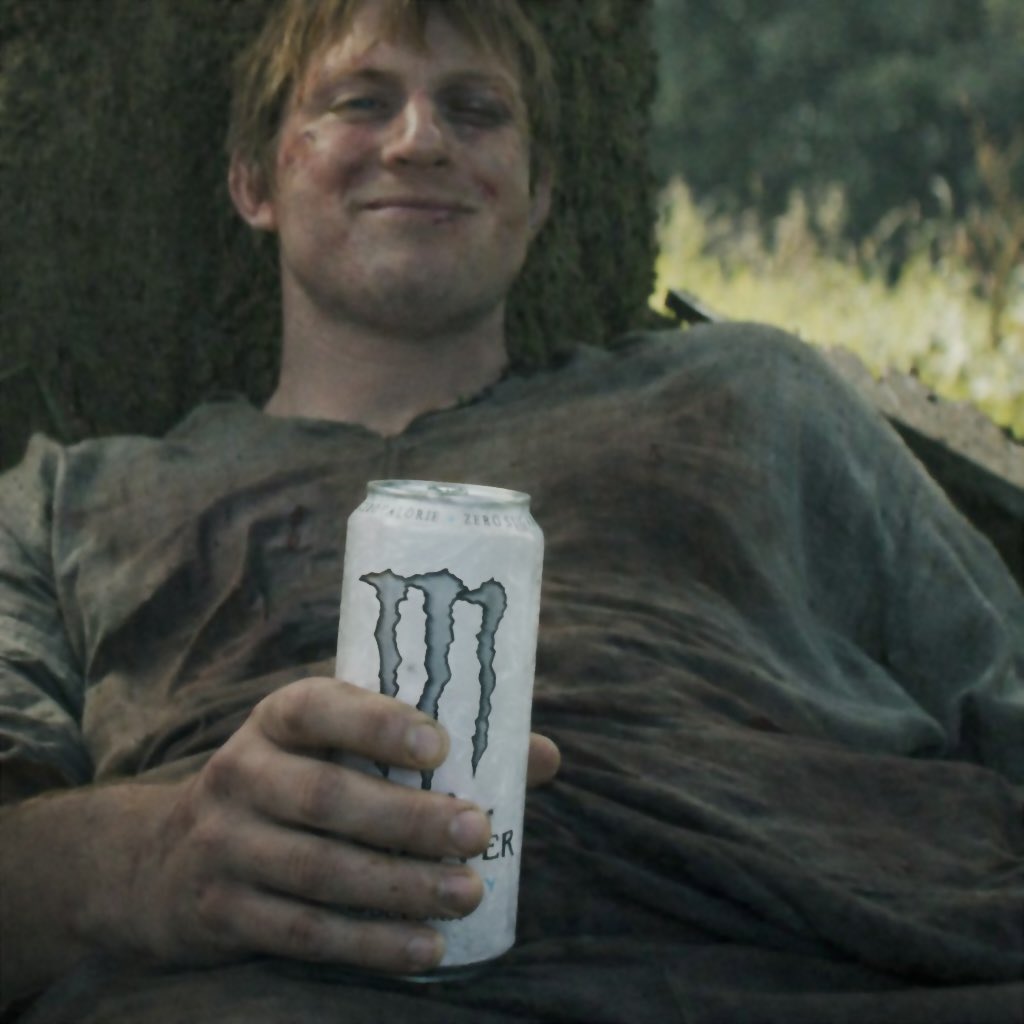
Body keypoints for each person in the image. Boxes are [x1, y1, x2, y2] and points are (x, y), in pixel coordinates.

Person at [1, 1, 1021, 1022]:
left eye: (476, 110)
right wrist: (147, 857)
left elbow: (1004, 684)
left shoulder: (750, 395)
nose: (419, 141)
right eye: (360, 102)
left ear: (537, 199)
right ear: (253, 181)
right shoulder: (71, 502)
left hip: (847, 955)